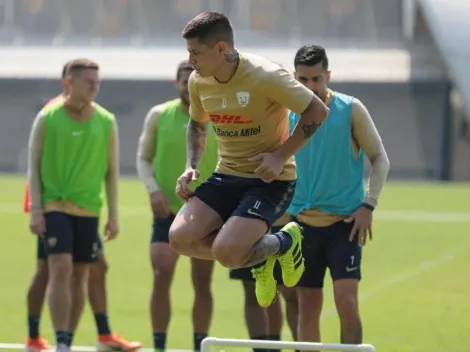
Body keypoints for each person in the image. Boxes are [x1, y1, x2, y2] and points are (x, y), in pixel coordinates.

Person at [168, 11, 330, 308]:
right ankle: (262, 251)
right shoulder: (198, 81)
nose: (190, 61)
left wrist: (281, 155)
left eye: (195, 53)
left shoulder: (266, 75)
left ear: (220, 49)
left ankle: (285, 241)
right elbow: (198, 123)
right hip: (227, 175)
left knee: (228, 254)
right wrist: (191, 164)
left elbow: (317, 111)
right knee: (180, 239)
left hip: (270, 181)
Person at [24, 62, 141, 352]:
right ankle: (56, 338)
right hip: (55, 206)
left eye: (97, 82)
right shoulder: (47, 118)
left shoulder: (105, 121)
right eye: (88, 81)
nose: (94, 87)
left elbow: (111, 173)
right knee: (58, 267)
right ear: (68, 84)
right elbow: (33, 167)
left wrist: (113, 215)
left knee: (80, 273)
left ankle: (66, 340)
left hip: (89, 210)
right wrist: (37, 210)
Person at [287, 45, 390, 345]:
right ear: (294, 78)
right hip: (302, 226)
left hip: (345, 225)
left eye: (316, 79)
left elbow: (379, 157)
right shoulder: (285, 112)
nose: (310, 87)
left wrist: (369, 204)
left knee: (346, 303)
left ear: (328, 76)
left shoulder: (350, 109)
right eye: (303, 80)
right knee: (308, 307)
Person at [136, 61, 218, 352]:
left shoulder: (218, 117)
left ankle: (199, 345)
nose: (188, 86)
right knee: (161, 275)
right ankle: (159, 345)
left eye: (194, 81)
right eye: (184, 81)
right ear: (177, 83)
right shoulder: (159, 115)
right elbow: (144, 159)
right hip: (167, 210)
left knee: (202, 281)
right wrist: (153, 190)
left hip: (206, 213)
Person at [228, 213, 299, 349]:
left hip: (284, 222)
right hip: (247, 224)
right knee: (253, 293)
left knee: (292, 294)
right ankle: (265, 349)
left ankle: (300, 348)